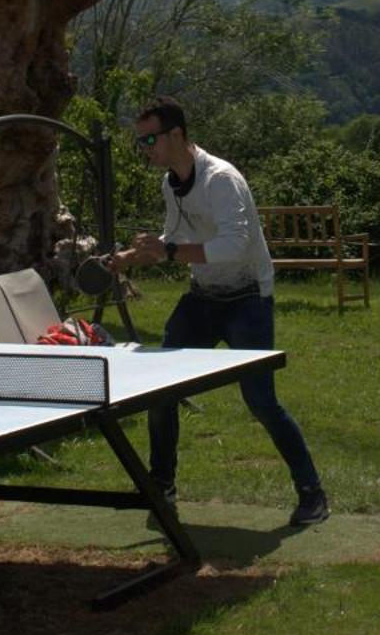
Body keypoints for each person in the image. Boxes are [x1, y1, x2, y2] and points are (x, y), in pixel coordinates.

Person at [110, 97, 329, 527]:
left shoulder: (221, 180)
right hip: (205, 298)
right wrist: (134, 256)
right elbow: (173, 239)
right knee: (161, 389)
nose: (146, 148)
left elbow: (233, 248)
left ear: (177, 135)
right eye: (141, 141)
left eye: (150, 139)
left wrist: (169, 250)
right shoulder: (171, 183)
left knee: (261, 401)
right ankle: (162, 487)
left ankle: (312, 493)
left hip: (248, 298)